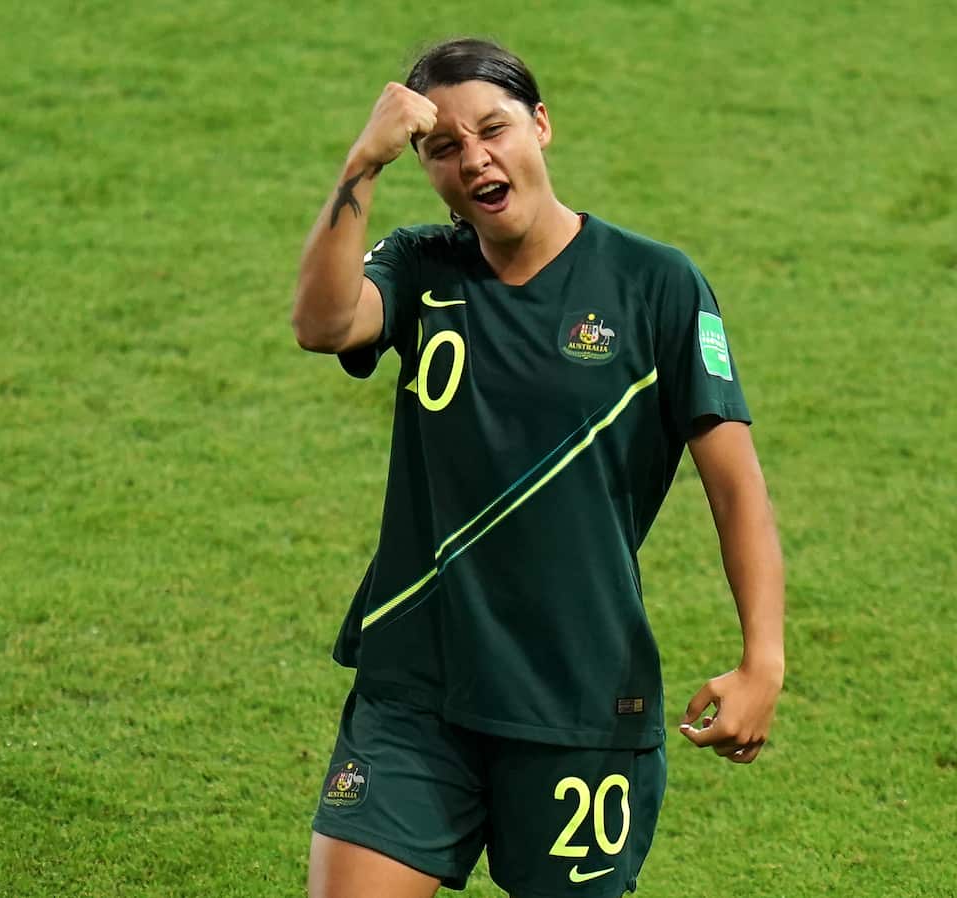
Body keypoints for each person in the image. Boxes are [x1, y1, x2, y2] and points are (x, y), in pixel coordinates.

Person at [292, 37, 785, 898]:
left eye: (494, 130)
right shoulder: (421, 267)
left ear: (541, 125)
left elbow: (736, 488)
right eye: (442, 147)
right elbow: (324, 324)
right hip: (418, 684)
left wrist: (762, 660)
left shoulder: (656, 285)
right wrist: (363, 162)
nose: (474, 159)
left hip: (578, 701)